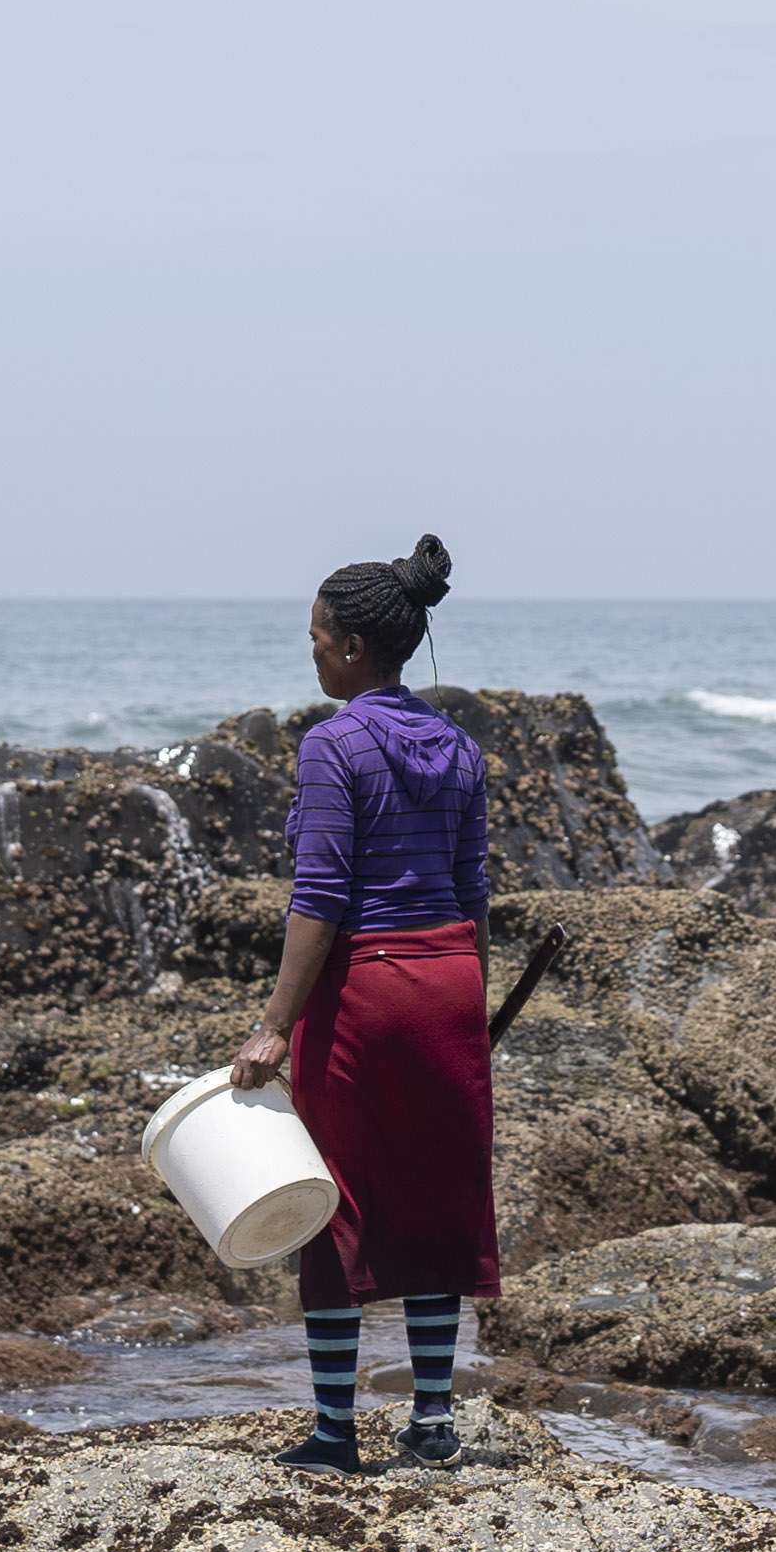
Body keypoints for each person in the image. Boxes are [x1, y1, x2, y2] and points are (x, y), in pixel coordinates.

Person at [233, 533, 497, 1471]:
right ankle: (433, 1421)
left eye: (315, 636)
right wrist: (472, 1012)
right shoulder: (461, 747)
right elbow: (474, 894)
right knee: (438, 1199)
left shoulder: (332, 743)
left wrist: (273, 1025)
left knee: (335, 1203)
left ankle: (336, 1433)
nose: (309, 650)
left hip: (368, 990)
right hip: (450, 981)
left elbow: (322, 898)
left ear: (349, 646)